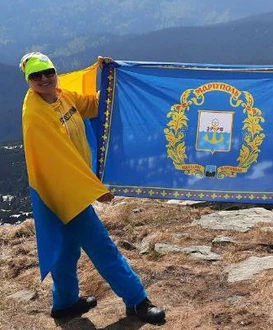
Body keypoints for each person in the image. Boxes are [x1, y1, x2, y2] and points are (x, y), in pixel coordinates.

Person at [20, 52, 166, 323]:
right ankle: (137, 301)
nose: (44, 79)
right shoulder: (35, 115)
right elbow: (61, 163)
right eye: (35, 76)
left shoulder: (63, 96)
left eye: (48, 72)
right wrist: (96, 188)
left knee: (66, 250)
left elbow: (97, 105)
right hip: (61, 192)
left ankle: (64, 304)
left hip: (67, 190)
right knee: (102, 247)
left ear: (55, 72)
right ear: (27, 80)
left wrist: (114, 79)